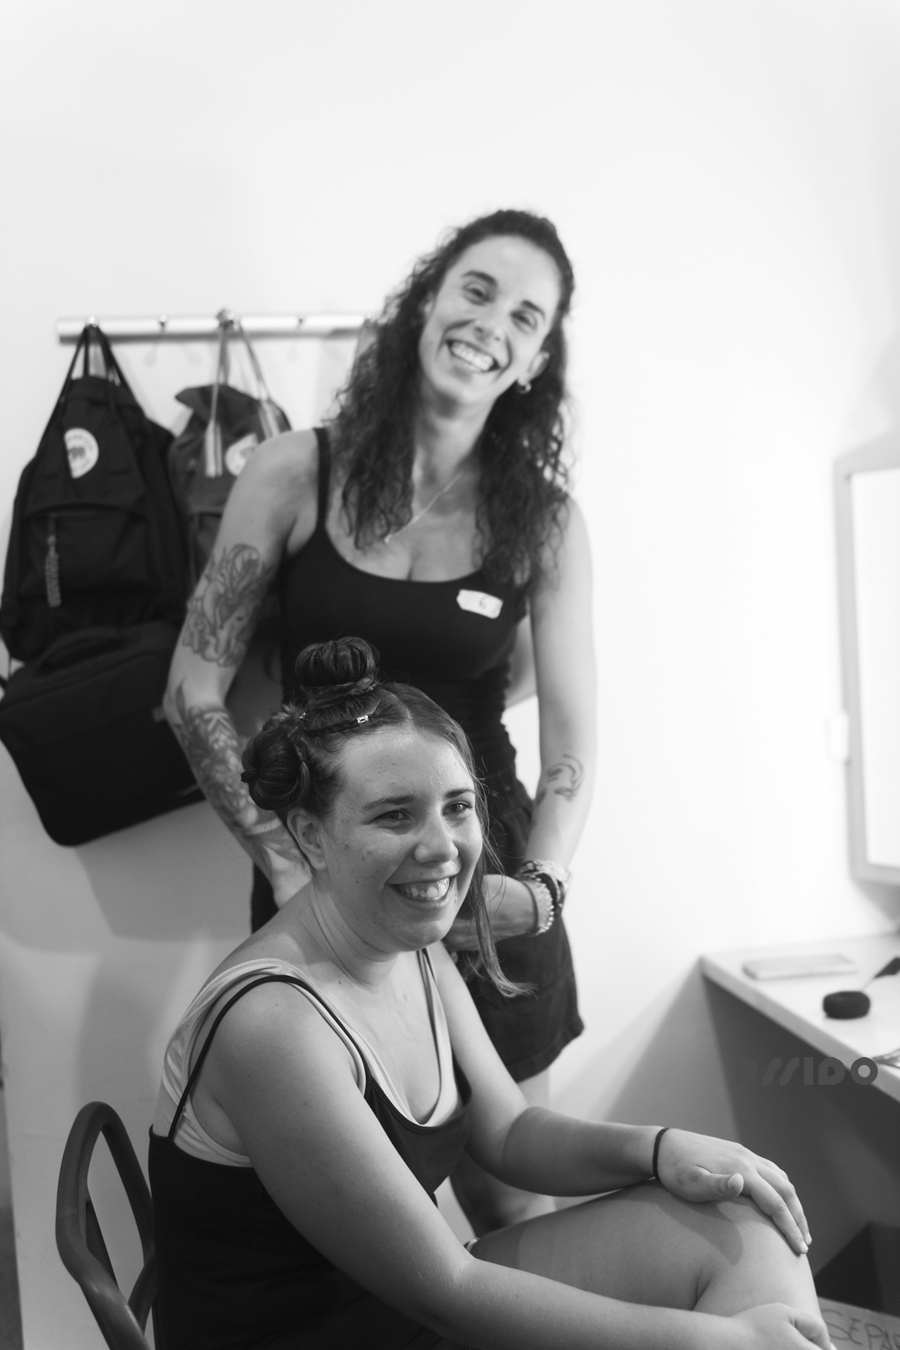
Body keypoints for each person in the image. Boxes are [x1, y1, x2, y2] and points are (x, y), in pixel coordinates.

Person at [150, 640, 830, 1350]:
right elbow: (448, 1290)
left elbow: (510, 1134)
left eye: (457, 807)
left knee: (745, 1221)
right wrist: (719, 1341)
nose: (443, 847)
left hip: (402, 1303)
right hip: (337, 1329)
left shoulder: (412, 946)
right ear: (310, 836)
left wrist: (661, 1149)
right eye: (395, 815)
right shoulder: (273, 1024)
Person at [165, 208, 595, 1232]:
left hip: (485, 875)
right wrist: (283, 858)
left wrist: (540, 892)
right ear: (427, 301)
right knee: (361, 1208)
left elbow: (572, 740)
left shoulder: (547, 520)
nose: (491, 323)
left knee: (510, 1194)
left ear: (537, 361)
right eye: (477, 289)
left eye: (525, 316)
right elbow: (192, 690)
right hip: (322, 866)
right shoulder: (292, 471)